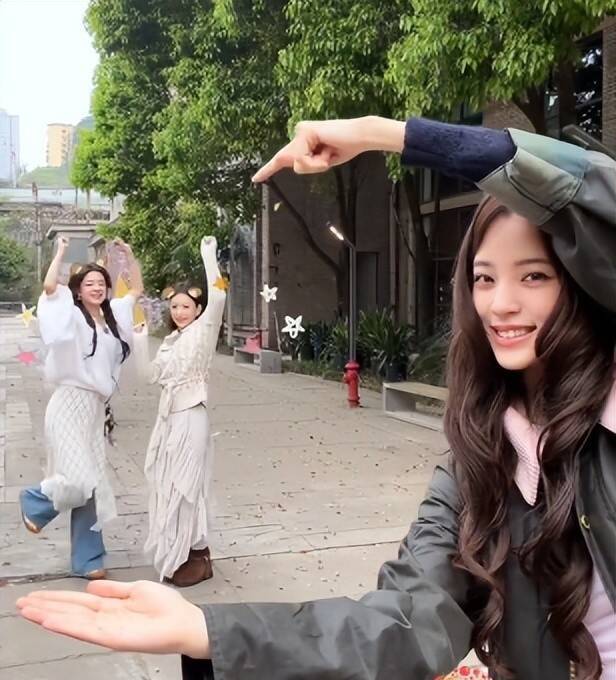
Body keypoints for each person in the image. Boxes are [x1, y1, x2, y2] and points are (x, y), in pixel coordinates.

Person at [16, 116, 616, 680]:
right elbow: (406, 620)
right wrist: (208, 633)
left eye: (534, 276)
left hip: (187, 423)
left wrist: (385, 133)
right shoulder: (480, 459)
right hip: (149, 424)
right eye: (485, 278)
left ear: (581, 280)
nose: (501, 303)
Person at [19, 236, 143, 579]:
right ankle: (36, 500)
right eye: (89, 284)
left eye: (101, 283)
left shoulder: (112, 317)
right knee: (78, 478)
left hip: (94, 409)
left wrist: (129, 256)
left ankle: (89, 560)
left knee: (93, 485)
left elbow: (135, 290)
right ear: (78, 289)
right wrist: (60, 251)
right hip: (68, 403)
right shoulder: (70, 314)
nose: (97, 288)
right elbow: (49, 287)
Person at [140, 235, 227, 587]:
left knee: (187, 485)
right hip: (169, 419)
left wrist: (209, 256)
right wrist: (138, 340)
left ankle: (196, 554)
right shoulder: (171, 342)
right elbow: (150, 375)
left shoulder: (204, 330)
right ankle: (188, 553)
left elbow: (219, 296)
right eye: (174, 306)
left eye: (185, 306)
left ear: (197, 308)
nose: (179, 312)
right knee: (168, 483)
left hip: (192, 415)